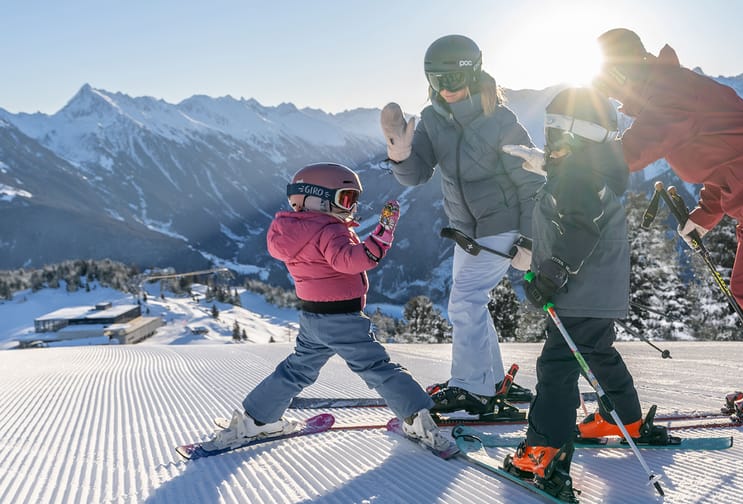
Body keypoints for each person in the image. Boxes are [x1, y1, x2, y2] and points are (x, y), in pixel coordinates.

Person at [594, 28, 743, 413]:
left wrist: (570, 163)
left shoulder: (670, 92)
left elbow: (632, 151)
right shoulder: (669, 90)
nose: (615, 93)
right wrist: (705, 215)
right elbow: (722, 159)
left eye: (614, 80)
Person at [204, 162, 455, 455]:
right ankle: (417, 418)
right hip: (341, 318)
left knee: (296, 370)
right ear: (315, 198)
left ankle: (257, 420)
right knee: (376, 367)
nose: (349, 208)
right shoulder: (328, 228)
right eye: (344, 198)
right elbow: (349, 261)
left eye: (352, 199)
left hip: (313, 317)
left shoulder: (294, 229)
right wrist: (382, 236)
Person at [499, 88, 670, 499]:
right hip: (597, 289)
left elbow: (579, 229)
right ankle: (623, 420)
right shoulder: (588, 169)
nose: (549, 142)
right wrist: (537, 250)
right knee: (596, 351)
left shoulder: (577, 175)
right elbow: (569, 222)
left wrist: (553, 272)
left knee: (557, 367)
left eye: (554, 133)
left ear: (573, 136)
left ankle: (543, 450)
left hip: (580, 289)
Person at [381, 34, 544, 414]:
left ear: (473, 74)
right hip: (465, 229)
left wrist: (530, 239)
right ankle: (490, 379)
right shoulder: (434, 120)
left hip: (501, 223)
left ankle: (474, 388)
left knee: (466, 302)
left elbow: (531, 179)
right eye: (436, 81)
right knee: (472, 302)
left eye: (452, 80)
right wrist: (399, 151)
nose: (445, 89)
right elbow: (416, 175)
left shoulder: (500, 120)